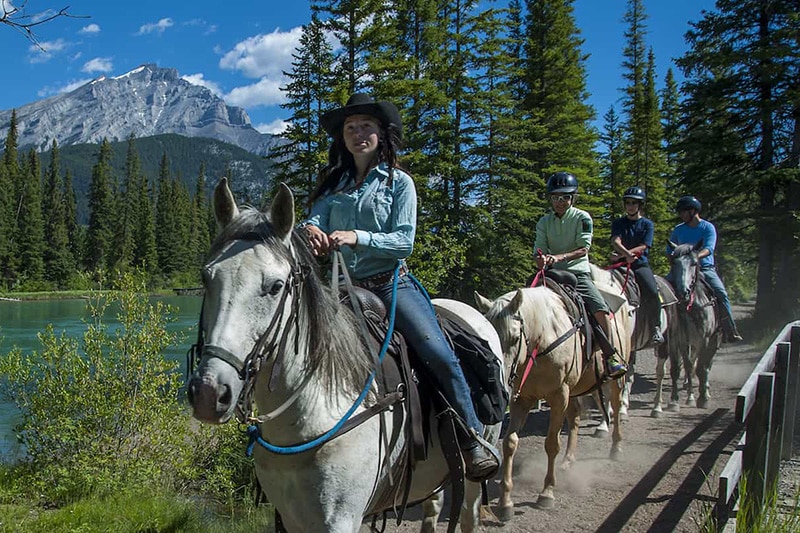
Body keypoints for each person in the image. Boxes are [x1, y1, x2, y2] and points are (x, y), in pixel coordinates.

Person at [300, 93, 499, 482]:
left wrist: (357, 236)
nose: (358, 134)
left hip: (391, 285)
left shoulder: (399, 182)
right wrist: (311, 232)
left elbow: (404, 241)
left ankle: (472, 437)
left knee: (436, 352)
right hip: (343, 287)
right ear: (342, 137)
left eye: (366, 127)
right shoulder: (333, 184)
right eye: (350, 128)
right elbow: (314, 219)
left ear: (381, 134)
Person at [533, 171, 628, 379]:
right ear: (550, 198)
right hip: (550, 274)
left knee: (599, 308)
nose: (560, 202)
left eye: (565, 197)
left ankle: (610, 356)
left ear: (573, 198)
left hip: (577, 274)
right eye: (556, 197)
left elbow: (583, 248)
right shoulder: (544, 222)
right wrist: (540, 259)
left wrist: (557, 258)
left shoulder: (582, 217)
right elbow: (539, 248)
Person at [667, 195, 743, 342]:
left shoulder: (707, 227)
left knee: (721, 293)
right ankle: (660, 329)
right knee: (662, 290)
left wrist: (694, 257)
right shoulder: (678, 230)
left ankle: (729, 328)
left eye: (683, 211)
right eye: (680, 212)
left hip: (704, 269)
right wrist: (675, 258)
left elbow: (709, 248)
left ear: (693, 211)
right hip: (682, 269)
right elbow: (670, 248)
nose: (681, 215)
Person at [610, 186, 664, 345]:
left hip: (639, 266)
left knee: (652, 292)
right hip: (619, 265)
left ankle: (655, 327)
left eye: (634, 203)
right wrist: (624, 255)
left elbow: (644, 246)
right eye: (628, 202)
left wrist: (623, 255)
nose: (630, 206)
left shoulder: (647, 224)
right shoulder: (619, 223)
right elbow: (615, 240)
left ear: (640, 205)